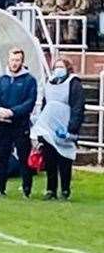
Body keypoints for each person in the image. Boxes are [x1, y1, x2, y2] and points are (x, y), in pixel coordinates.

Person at [31, 59, 85, 200]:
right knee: (50, 160)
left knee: (65, 159)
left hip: (65, 127)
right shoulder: (50, 83)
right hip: (49, 127)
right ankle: (51, 189)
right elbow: (45, 105)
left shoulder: (74, 84)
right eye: (56, 67)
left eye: (61, 67)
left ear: (68, 68)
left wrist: (72, 128)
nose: (58, 69)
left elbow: (78, 107)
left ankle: (65, 190)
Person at [0, 48, 38, 198]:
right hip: (3, 125)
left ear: (22, 61)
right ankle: (0, 187)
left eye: (17, 60)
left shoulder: (30, 80)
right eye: (12, 60)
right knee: (2, 156)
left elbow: (30, 102)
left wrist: (12, 112)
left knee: (24, 158)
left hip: (20, 125)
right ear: (8, 60)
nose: (14, 63)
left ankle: (26, 189)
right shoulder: (1, 80)